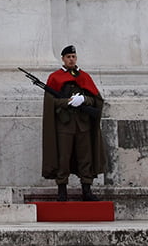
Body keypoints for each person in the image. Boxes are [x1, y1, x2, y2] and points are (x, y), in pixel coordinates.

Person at [42, 45, 106, 201]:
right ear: (62, 59)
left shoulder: (84, 77)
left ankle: (87, 190)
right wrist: (68, 102)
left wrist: (84, 99)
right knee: (63, 158)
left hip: (83, 125)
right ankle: (62, 191)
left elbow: (96, 99)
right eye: (68, 57)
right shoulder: (55, 78)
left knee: (85, 158)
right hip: (65, 125)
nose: (71, 59)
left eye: (73, 56)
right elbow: (51, 103)